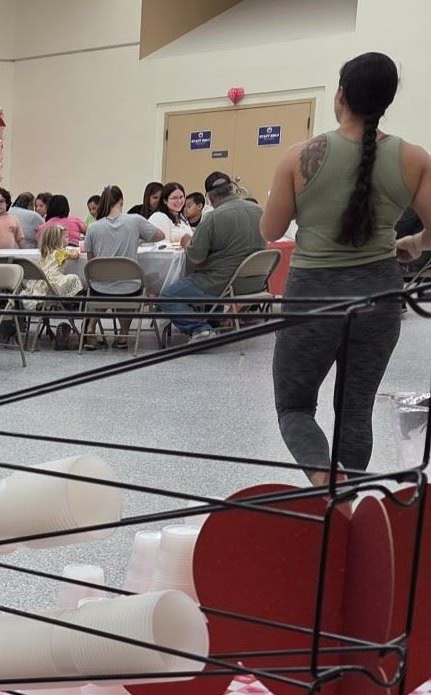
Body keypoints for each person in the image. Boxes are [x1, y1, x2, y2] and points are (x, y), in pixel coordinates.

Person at [262, 52, 430, 482]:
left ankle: (324, 481)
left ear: (340, 95)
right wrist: (414, 241)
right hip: (380, 295)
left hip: (312, 297)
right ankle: (349, 498)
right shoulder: (413, 159)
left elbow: (271, 228)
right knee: (355, 408)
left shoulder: (301, 157)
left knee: (295, 407)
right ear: (386, 102)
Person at [155, 174, 263, 339]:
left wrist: (186, 242)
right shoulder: (259, 210)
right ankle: (215, 322)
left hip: (222, 283)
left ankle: (200, 328)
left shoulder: (213, 218)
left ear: (209, 197)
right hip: (255, 282)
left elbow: (195, 256)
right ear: (232, 188)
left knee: (167, 296)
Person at [83, 185, 166, 346]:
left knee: (101, 285)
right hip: (130, 287)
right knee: (125, 284)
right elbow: (160, 236)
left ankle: (91, 329)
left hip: (100, 287)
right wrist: (139, 238)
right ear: (121, 201)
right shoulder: (134, 220)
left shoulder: (93, 228)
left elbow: (91, 263)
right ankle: (123, 334)